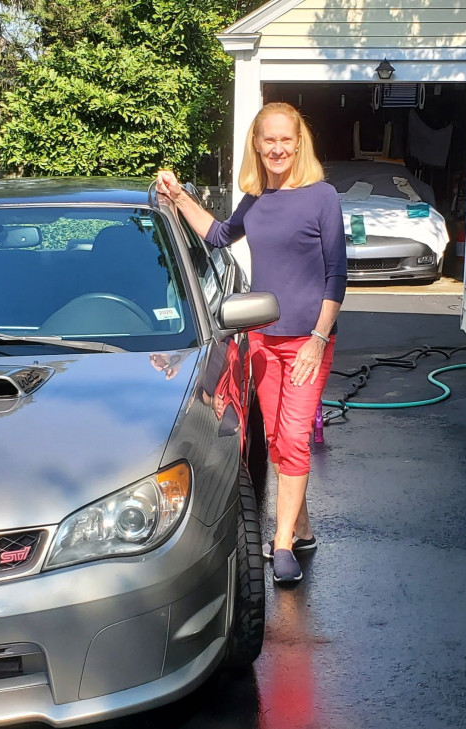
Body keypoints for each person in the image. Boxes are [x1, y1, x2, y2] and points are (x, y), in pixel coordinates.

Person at [155, 101, 347, 585]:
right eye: (269, 140)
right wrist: (178, 196)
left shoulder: (321, 196)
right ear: (257, 146)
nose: (278, 148)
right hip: (261, 337)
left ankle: (280, 546)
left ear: (298, 143)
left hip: (309, 339)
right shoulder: (256, 199)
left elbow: (336, 277)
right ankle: (300, 528)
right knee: (275, 441)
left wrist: (318, 341)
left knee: (295, 437)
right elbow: (219, 235)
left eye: (286, 139)